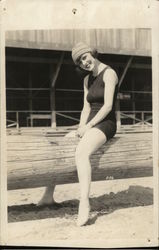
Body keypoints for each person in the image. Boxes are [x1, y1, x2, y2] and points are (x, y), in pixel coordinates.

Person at [37, 42, 118, 227]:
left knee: (82, 153)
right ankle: (48, 196)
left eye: (85, 57)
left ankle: (84, 203)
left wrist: (88, 126)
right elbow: (85, 107)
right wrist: (81, 128)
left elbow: (107, 106)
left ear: (92, 54)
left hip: (106, 123)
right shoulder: (86, 80)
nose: (84, 63)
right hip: (89, 123)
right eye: (80, 62)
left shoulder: (110, 73)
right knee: (62, 146)